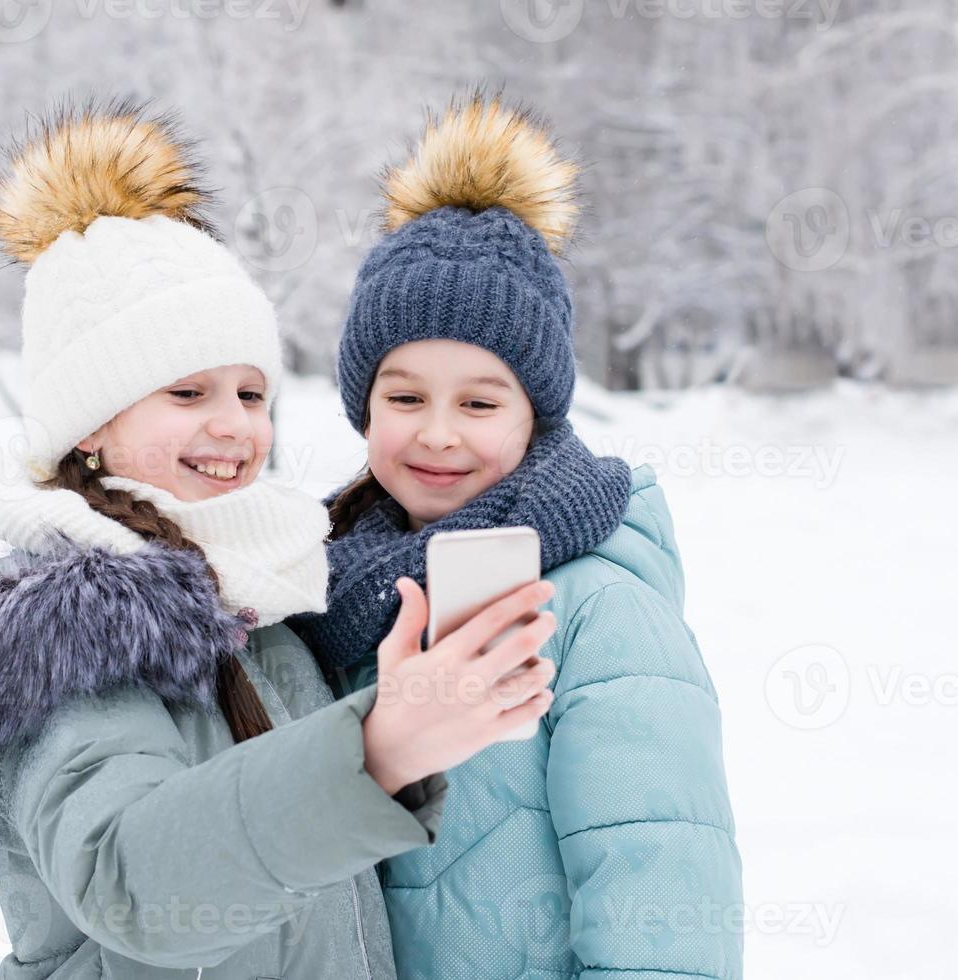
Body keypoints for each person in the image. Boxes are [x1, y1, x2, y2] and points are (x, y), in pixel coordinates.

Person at [0, 97, 560, 980]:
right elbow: (131, 882)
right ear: (88, 423)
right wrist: (379, 745)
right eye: (187, 394)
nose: (234, 427)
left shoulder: (254, 592)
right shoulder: (62, 628)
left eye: (249, 393)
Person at [289, 91, 745, 980]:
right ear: (363, 406)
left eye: (480, 402)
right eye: (406, 396)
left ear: (534, 414)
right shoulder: (334, 596)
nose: (438, 433)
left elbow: (662, 893)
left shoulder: (596, 609)